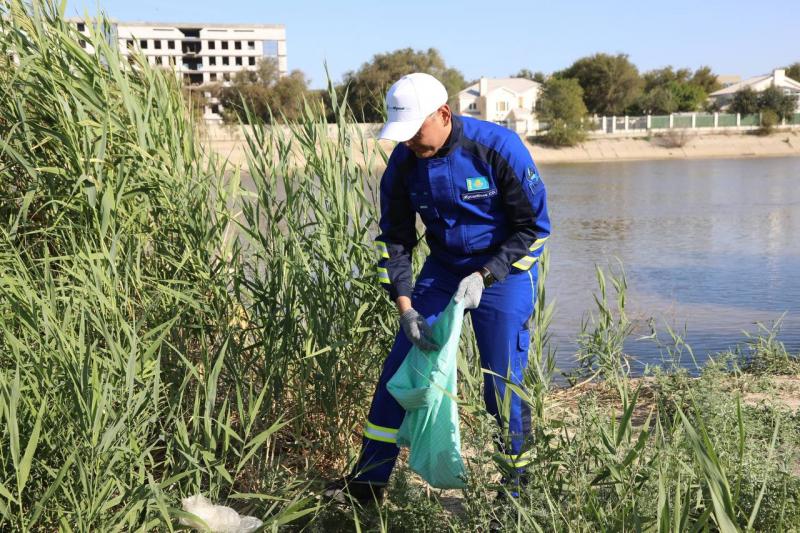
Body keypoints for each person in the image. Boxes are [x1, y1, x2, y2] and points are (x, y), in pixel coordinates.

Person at [325, 72, 550, 504]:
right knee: (400, 369)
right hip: (444, 269)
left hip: (506, 271)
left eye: (415, 132)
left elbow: (534, 230)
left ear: (444, 114)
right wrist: (406, 308)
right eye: (402, 135)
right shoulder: (404, 162)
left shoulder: (498, 149)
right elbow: (395, 239)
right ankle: (368, 485)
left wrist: (485, 275)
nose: (408, 142)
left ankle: (518, 490)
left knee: (501, 381)